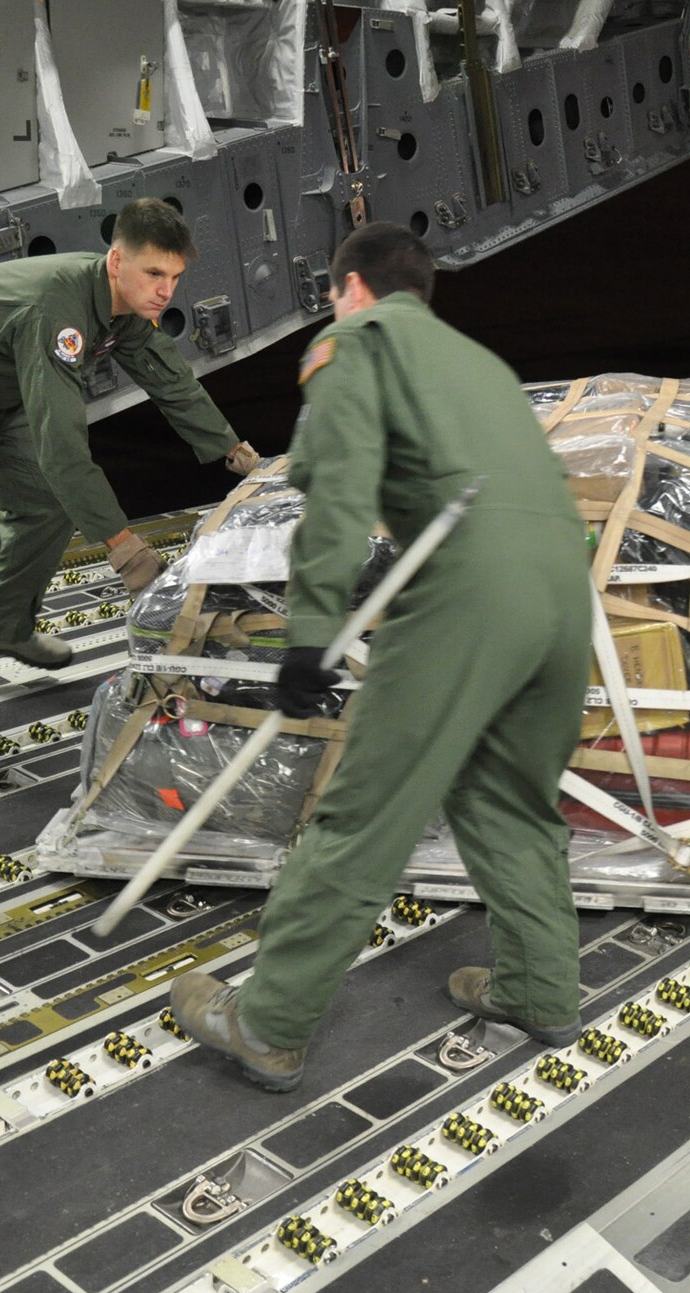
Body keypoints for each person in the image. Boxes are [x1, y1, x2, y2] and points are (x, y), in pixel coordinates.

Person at [169, 222, 592, 1092]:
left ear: (349, 287)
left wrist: (314, 632)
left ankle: (269, 1022)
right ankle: (542, 990)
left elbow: (335, 487)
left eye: (332, 295)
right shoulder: (483, 364)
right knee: (509, 798)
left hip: (465, 594)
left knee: (362, 817)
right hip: (561, 601)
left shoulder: (353, 341)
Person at [0, 198, 258, 777]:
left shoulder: (122, 308)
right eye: (154, 273)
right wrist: (124, 547)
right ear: (117, 261)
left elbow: (170, 378)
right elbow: (62, 449)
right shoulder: (59, 311)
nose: (164, 290)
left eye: (174, 277)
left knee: (45, 504)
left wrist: (240, 455)